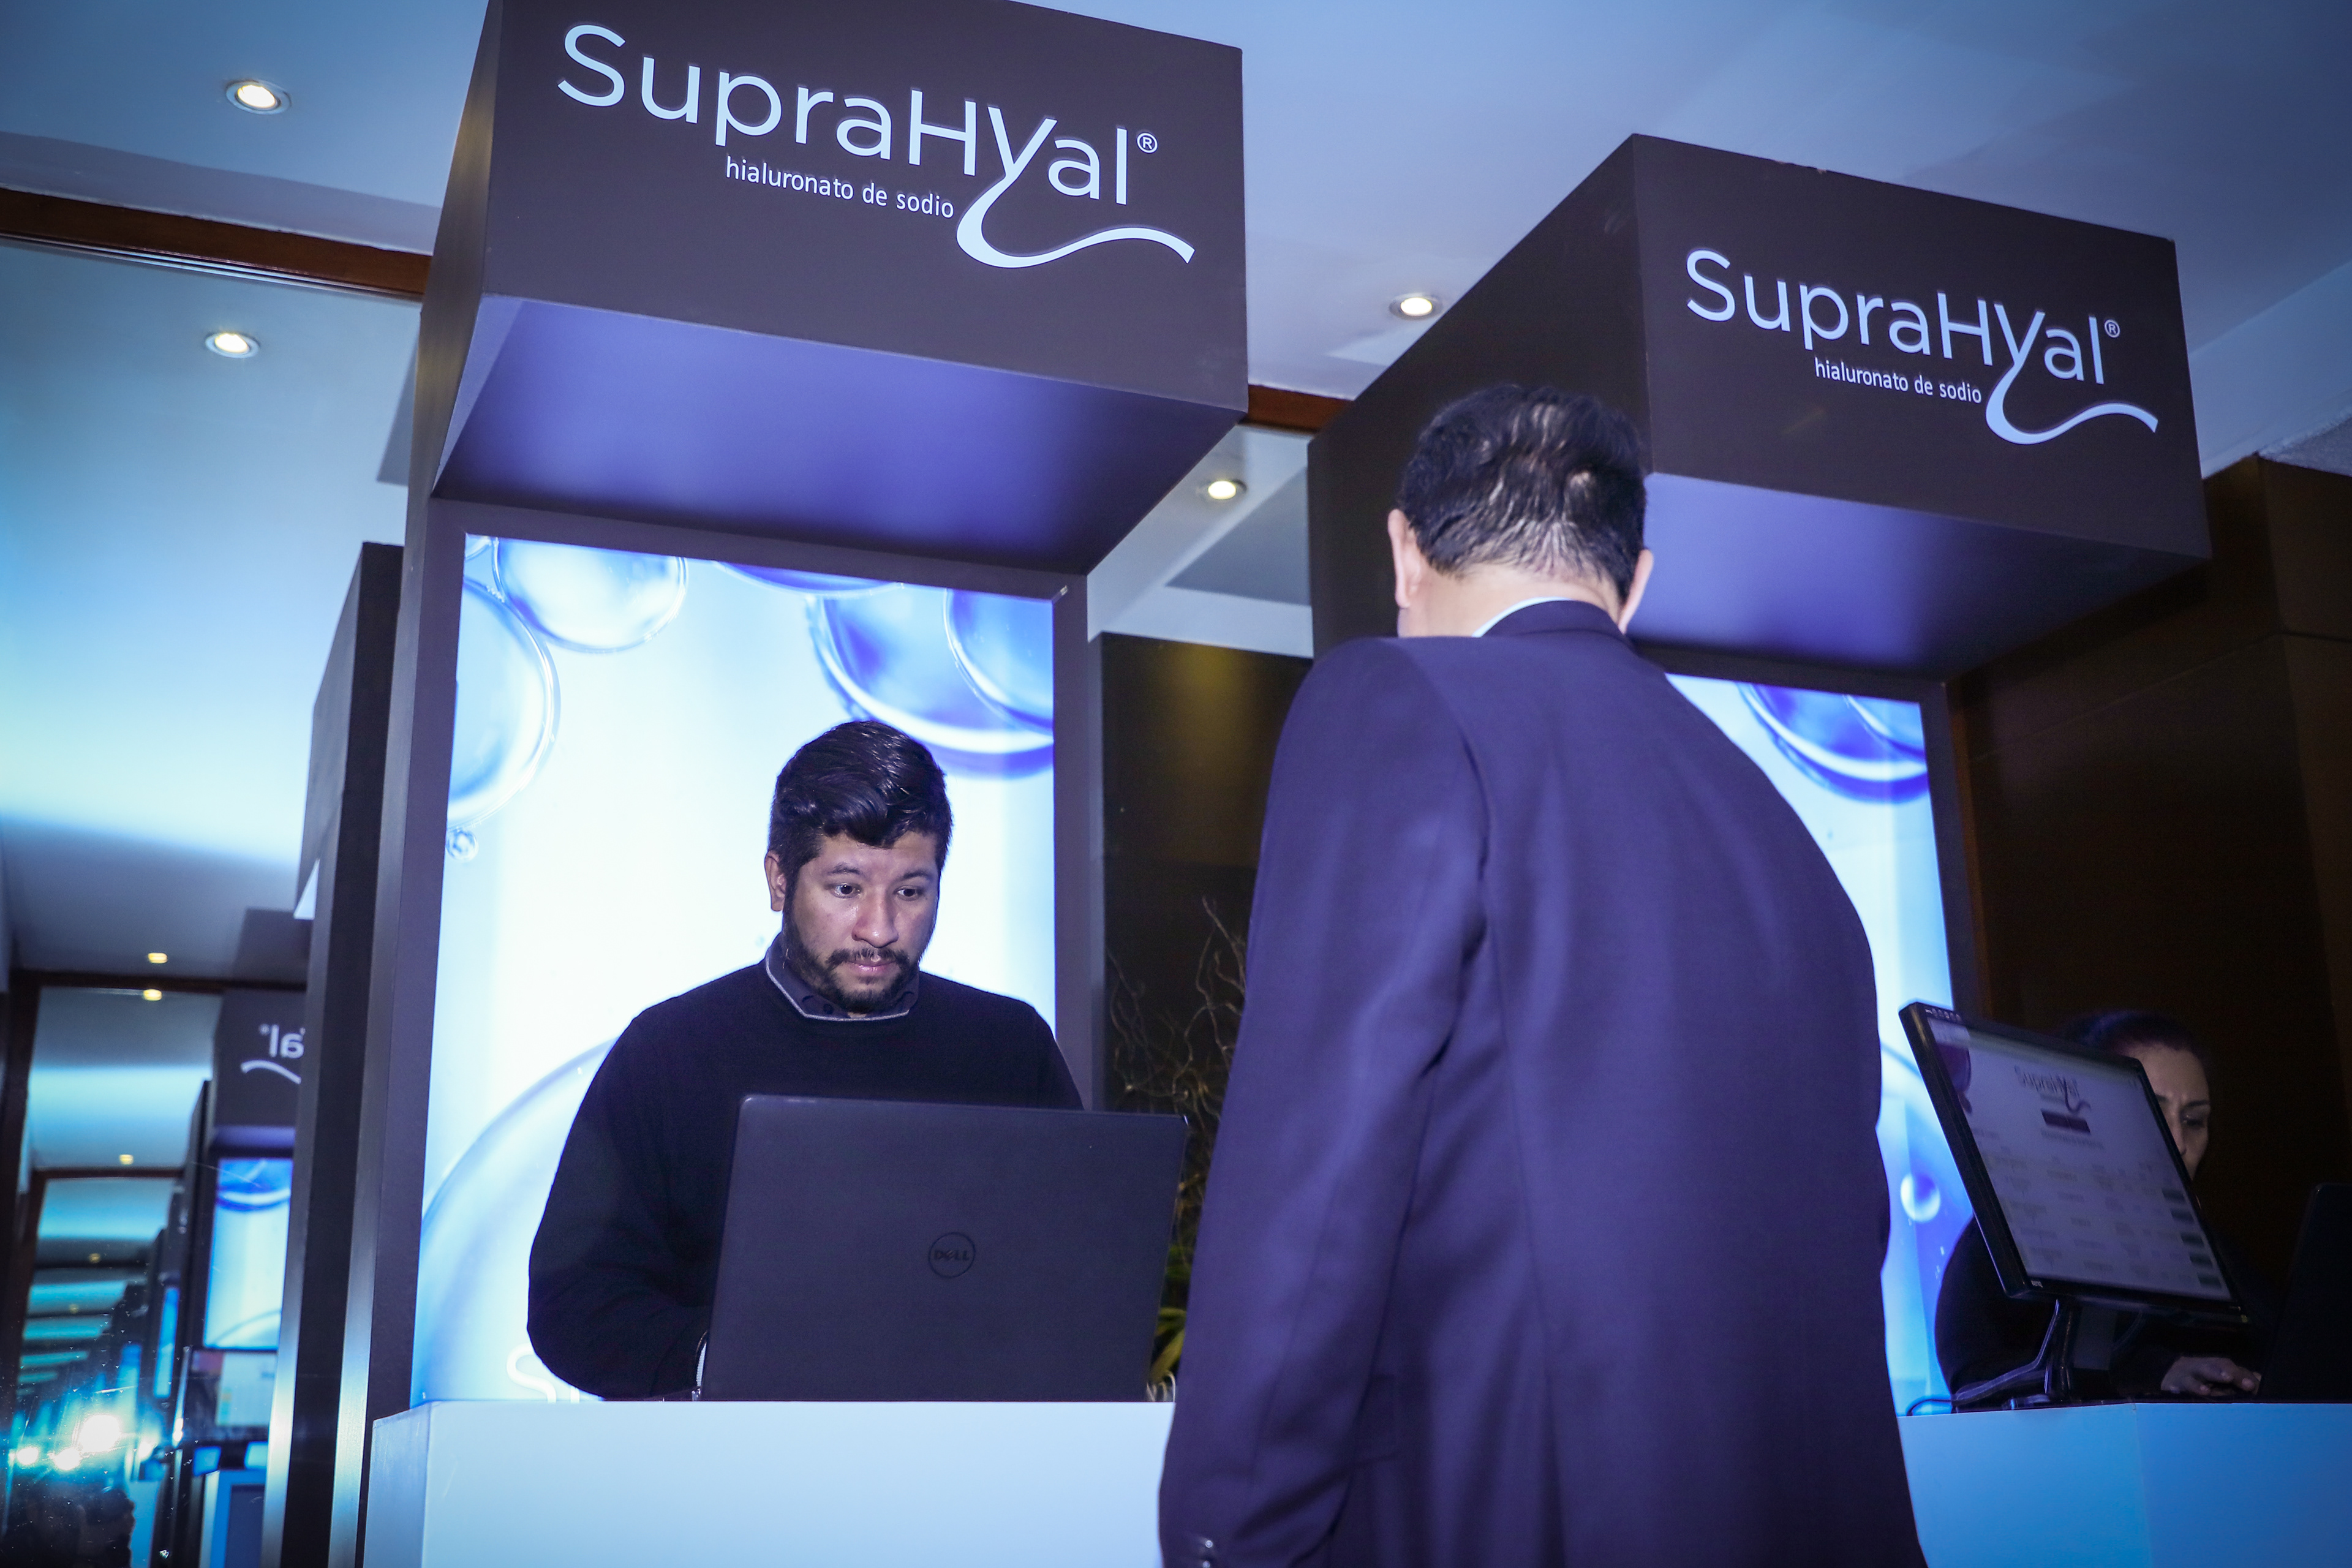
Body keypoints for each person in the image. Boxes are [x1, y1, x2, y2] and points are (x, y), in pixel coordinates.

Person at [1158, 386, 1923, 1567]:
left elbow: (1321, 1172)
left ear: (1404, 551)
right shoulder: (1776, 822)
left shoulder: (1397, 701)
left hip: (1507, 1508)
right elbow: (1845, 1224)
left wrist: (1230, 1529)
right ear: (1635, 581)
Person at [528, 720, 1079, 1398]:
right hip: (734, 1455)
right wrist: (726, 1360)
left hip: (967, 1448)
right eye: (846, 888)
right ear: (779, 880)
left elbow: (1081, 1276)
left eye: (911, 891)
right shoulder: (669, 1052)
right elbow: (573, 1302)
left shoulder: (1010, 1047)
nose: (880, 928)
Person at [1936, 1010, 2275, 1404]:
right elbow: (1974, 1379)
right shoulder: (2005, 1232)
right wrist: (2149, 1374)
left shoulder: (2220, 1257)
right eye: (2149, 1110)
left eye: (2194, 1121)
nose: (2179, 1143)